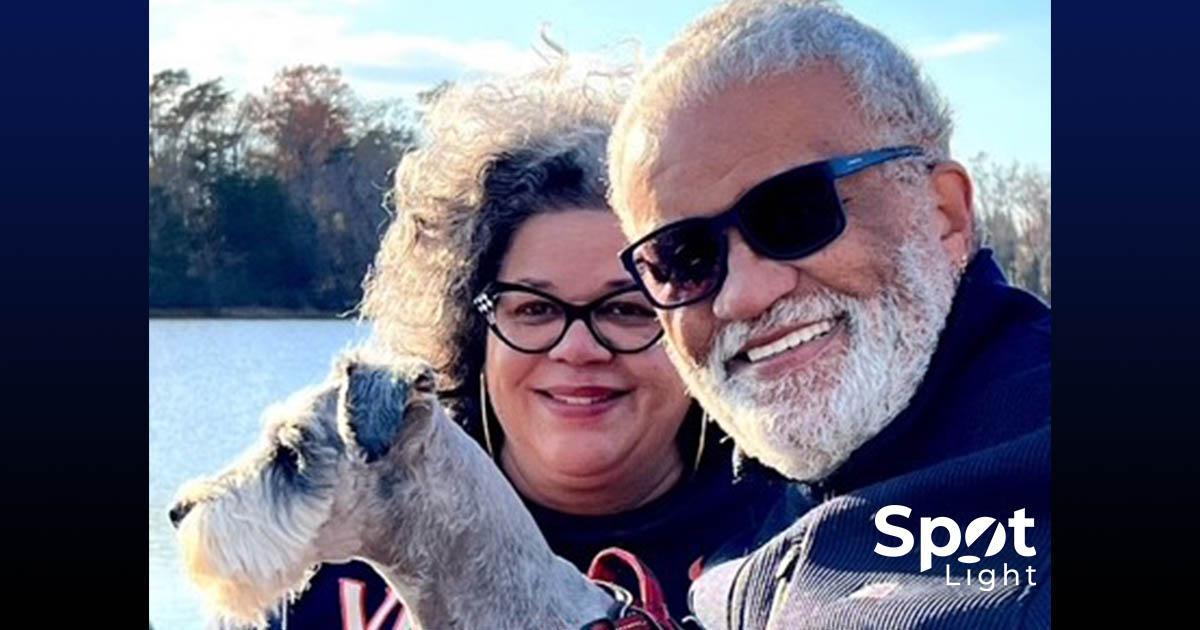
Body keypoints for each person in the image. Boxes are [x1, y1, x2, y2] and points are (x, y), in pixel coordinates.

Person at [253, 61, 806, 630]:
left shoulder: (801, 542)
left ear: (694, 322)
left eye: (625, 309)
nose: (578, 349)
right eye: (534, 309)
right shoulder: (327, 541)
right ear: (471, 331)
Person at [606, 1, 1051, 627]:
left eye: (795, 214)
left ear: (943, 213)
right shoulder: (746, 502)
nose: (742, 296)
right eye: (683, 257)